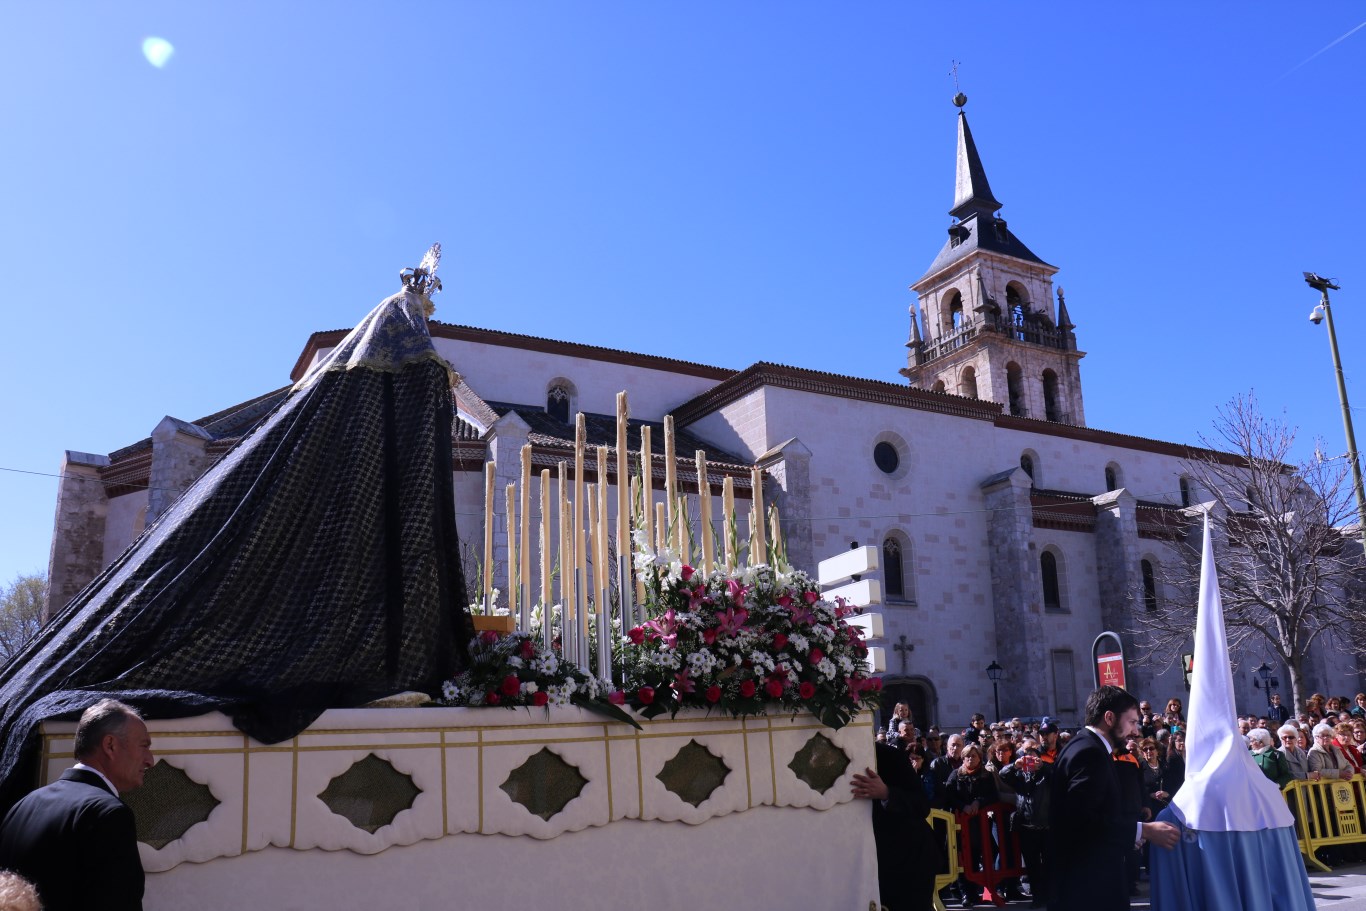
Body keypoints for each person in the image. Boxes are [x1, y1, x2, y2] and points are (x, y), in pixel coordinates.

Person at [0, 699, 153, 911]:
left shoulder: (24, 806)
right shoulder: (108, 814)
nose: (150, 760)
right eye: (144, 746)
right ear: (110, 745)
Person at [1048, 686, 1178, 911]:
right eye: (1131, 722)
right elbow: (1082, 821)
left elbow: (1098, 813)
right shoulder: (1089, 753)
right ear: (1109, 717)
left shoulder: (1086, 747)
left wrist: (1129, 834)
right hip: (1089, 889)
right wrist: (1143, 830)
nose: (1136, 731)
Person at [852, 741, 937, 911]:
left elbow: (921, 805)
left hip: (909, 861)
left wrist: (886, 792)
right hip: (870, 861)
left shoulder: (889, 756)